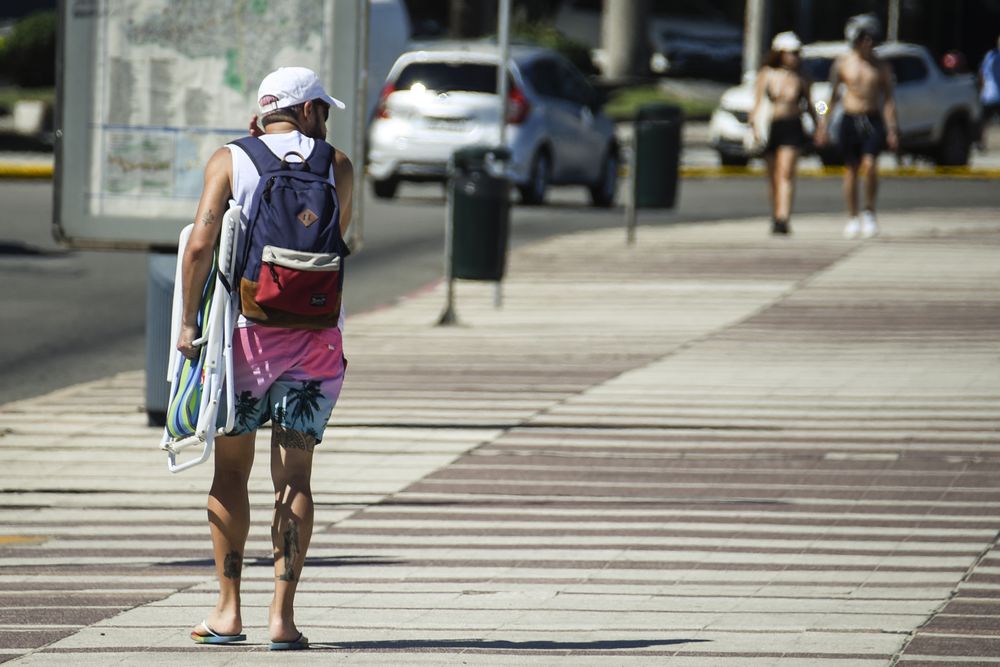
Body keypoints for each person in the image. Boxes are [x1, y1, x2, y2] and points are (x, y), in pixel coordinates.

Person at [178, 66, 353, 650]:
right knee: (296, 475)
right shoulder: (337, 164)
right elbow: (335, 246)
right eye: (322, 109)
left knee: (231, 471)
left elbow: (201, 242)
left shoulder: (232, 158)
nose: (323, 121)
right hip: (317, 342)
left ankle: (229, 611)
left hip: (246, 339)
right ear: (305, 110)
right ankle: (283, 618)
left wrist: (187, 323)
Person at [816, 14, 897, 239]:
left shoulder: (881, 67)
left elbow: (889, 100)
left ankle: (869, 211)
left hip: (871, 119)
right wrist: (822, 122)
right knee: (850, 169)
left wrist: (891, 129)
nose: (868, 43)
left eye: (872, 38)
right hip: (849, 119)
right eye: (864, 38)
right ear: (855, 39)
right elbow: (828, 98)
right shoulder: (843, 64)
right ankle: (852, 216)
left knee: (870, 165)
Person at [751, 31, 814, 236]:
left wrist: (823, 118)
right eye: (790, 53)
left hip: (793, 126)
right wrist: (754, 127)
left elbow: (815, 103)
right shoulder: (767, 74)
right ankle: (776, 214)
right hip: (772, 127)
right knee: (773, 176)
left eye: (797, 53)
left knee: (786, 172)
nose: (794, 57)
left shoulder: (803, 76)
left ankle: (784, 218)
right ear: (780, 53)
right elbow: (757, 103)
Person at [977, 35, 1000, 150]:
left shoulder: (989, 56)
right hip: (994, 94)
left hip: (989, 94)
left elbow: (981, 74)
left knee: (984, 121)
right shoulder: (990, 56)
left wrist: (981, 90)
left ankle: (981, 143)